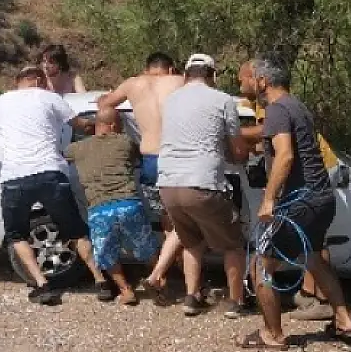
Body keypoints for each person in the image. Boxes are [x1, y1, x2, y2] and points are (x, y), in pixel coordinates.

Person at [0, 66, 103, 305]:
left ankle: (42, 284)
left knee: (16, 234)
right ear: (39, 80)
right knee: (76, 230)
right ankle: (100, 281)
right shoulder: (51, 98)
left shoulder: (0, 102)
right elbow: (81, 125)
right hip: (51, 174)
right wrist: (102, 123)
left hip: (15, 179)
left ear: (18, 81)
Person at [236, 56, 351, 350]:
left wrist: (268, 199)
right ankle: (345, 322)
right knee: (315, 259)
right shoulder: (296, 106)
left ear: (262, 81)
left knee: (260, 267)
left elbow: (286, 155)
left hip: (298, 204)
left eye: (245, 78)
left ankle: (273, 335)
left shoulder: (277, 110)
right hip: (321, 199)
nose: (242, 83)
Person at [157, 53, 250, 317]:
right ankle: (235, 302)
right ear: (213, 75)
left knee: (191, 242)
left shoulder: (171, 100)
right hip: (202, 184)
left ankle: (191, 298)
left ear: (186, 75)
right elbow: (237, 150)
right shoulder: (223, 100)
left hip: (168, 185)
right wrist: (241, 155)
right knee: (232, 244)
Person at [97, 52, 186, 304]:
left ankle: (165, 275)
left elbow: (105, 105)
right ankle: (177, 276)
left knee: (168, 221)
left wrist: (105, 96)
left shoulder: (132, 84)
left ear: (147, 69)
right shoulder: (179, 82)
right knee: (182, 222)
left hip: (150, 160)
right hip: (177, 158)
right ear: (170, 69)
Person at [65, 107, 160, 305]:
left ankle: (126, 291)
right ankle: (160, 284)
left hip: (100, 209)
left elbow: (63, 155)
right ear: (114, 125)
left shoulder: (77, 149)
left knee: (106, 253)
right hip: (129, 204)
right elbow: (138, 159)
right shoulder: (126, 142)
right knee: (148, 248)